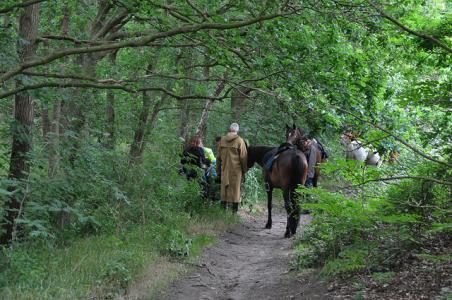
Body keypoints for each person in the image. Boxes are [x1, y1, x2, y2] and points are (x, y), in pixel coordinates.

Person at [217, 123, 247, 213]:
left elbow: (218, 157)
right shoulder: (240, 141)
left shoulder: (222, 140)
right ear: (237, 130)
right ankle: (234, 213)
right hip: (236, 170)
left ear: (230, 129)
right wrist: (244, 171)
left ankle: (223, 212)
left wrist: (218, 171)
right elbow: (243, 157)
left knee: (224, 190)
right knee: (236, 190)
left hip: (224, 169)